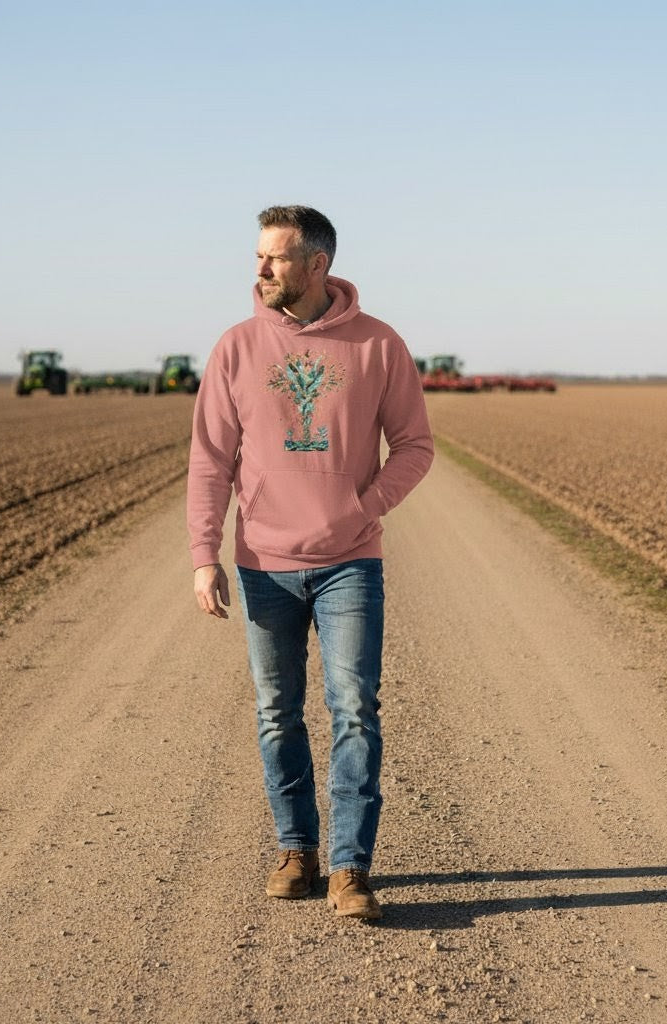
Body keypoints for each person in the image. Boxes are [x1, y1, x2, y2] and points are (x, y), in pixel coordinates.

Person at [187, 205, 433, 920]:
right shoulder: (236, 347)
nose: (260, 268)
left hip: (350, 562)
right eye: (257, 256)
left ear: (317, 264)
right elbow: (210, 461)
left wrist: (363, 507)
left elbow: (415, 446)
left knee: (354, 710)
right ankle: (297, 850)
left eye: (275, 257)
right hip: (264, 564)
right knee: (276, 713)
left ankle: (351, 869)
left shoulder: (378, 346)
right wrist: (205, 555)